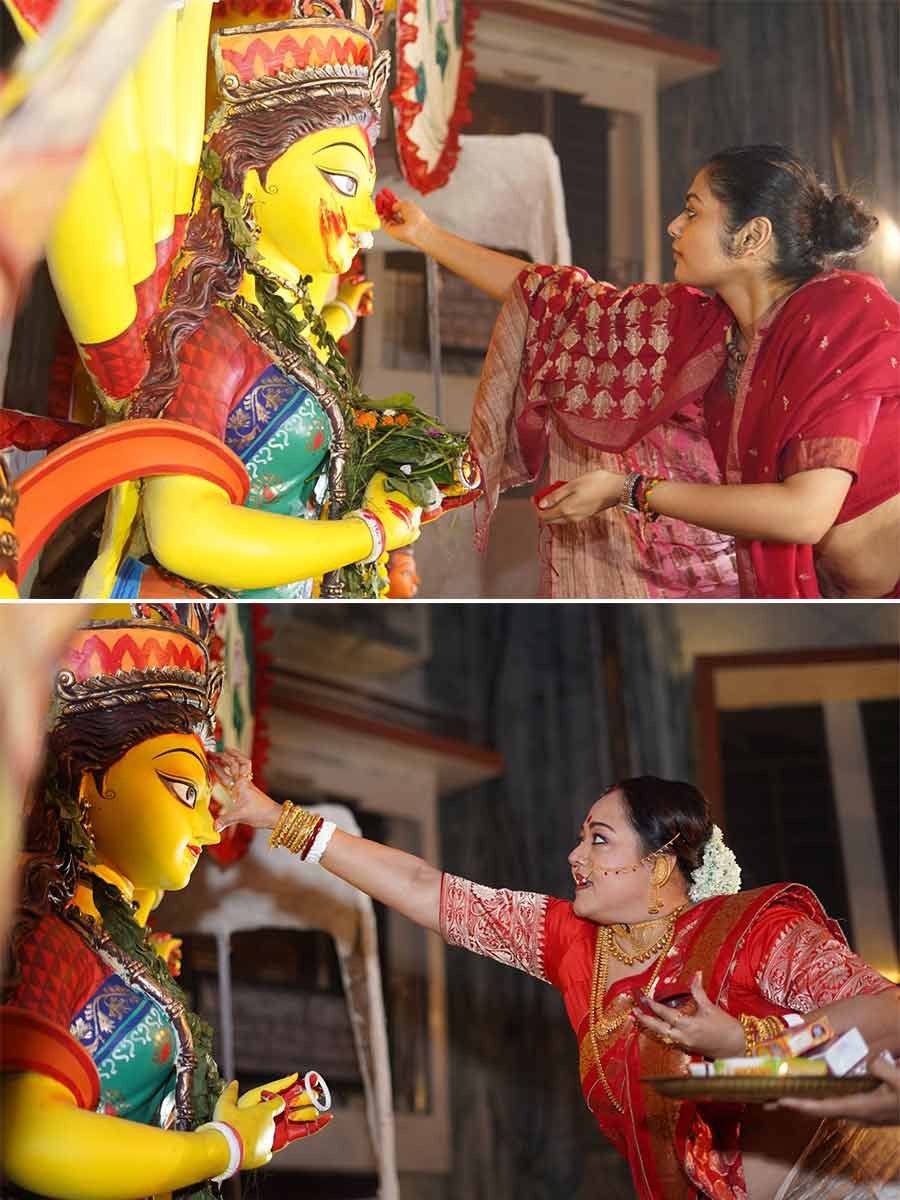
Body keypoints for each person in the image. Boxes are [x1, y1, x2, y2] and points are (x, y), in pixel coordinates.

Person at [214, 765, 900, 1199]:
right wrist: (278, 818)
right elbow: (429, 891)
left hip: (854, 1176)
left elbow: (886, 1018)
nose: (575, 855)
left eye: (599, 839)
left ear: (660, 864)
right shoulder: (574, 945)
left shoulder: (756, 934)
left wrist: (749, 1042)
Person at [6, 0, 472, 601]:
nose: (367, 219)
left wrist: (343, 310)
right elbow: (184, 532)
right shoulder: (212, 339)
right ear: (251, 181)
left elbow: (306, 361)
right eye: (343, 183)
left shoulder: (284, 319)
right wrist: (366, 536)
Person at [380, 144, 900, 599]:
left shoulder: (838, 312)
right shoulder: (705, 328)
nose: (675, 225)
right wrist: (426, 236)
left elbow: (805, 515)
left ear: (752, 236)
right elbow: (559, 302)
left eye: (694, 212)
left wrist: (628, 490)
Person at [0, 606, 329, 1199]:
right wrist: (217, 1149)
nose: (207, 832)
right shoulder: (50, 942)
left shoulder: (109, 941)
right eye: (182, 791)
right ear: (87, 784)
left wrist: (224, 1123)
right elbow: (26, 1137)